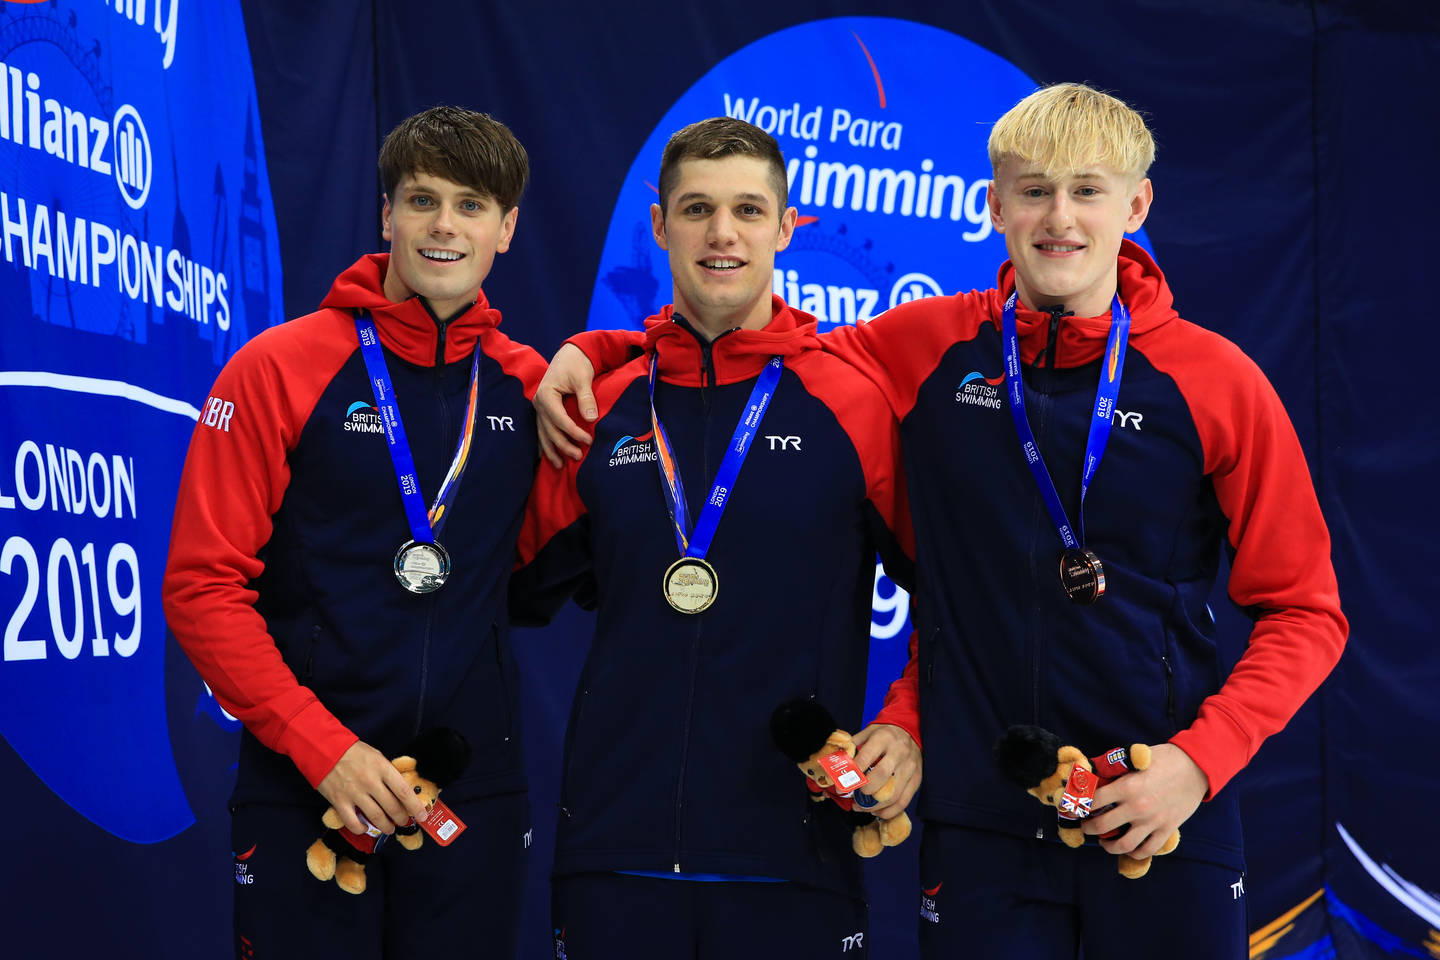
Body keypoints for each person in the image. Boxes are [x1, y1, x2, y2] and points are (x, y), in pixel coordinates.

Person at [535, 84, 1348, 960]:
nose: (1059, 217)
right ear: (993, 204)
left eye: (1087, 190)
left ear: (1137, 204)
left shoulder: (1218, 380)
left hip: (1161, 813)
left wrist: (1198, 765)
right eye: (1033, 190)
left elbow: (1307, 612)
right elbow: (745, 342)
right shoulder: (926, 347)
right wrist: (596, 351)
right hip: (980, 830)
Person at [509, 116, 921, 959]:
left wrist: (909, 725)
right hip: (614, 857)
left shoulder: (853, 404)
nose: (722, 233)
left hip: (794, 852)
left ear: (785, 227)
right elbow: (499, 594)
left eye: (746, 210)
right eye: (696, 209)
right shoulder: (600, 409)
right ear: (659, 226)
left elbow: (960, 605)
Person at [162, 106, 547, 960]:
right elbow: (201, 587)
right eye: (422, 200)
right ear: (386, 216)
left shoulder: (531, 389)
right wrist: (321, 747)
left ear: (507, 229)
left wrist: (590, 352)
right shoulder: (278, 367)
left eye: (472, 204)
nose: (444, 225)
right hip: (305, 782)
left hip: (472, 797)